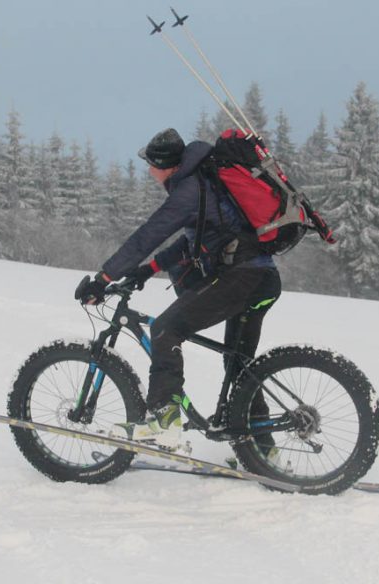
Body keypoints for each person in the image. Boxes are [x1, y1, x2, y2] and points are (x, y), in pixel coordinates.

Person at [77, 128, 281, 451]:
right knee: (239, 365)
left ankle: (164, 418)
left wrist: (104, 278)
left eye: (151, 164)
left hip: (243, 278)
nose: (149, 171)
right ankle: (262, 451)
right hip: (260, 278)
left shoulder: (189, 191)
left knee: (164, 329)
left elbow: (148, 235)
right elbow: (195, 242)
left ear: (166, 166)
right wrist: (149, 269)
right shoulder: (202, 183)